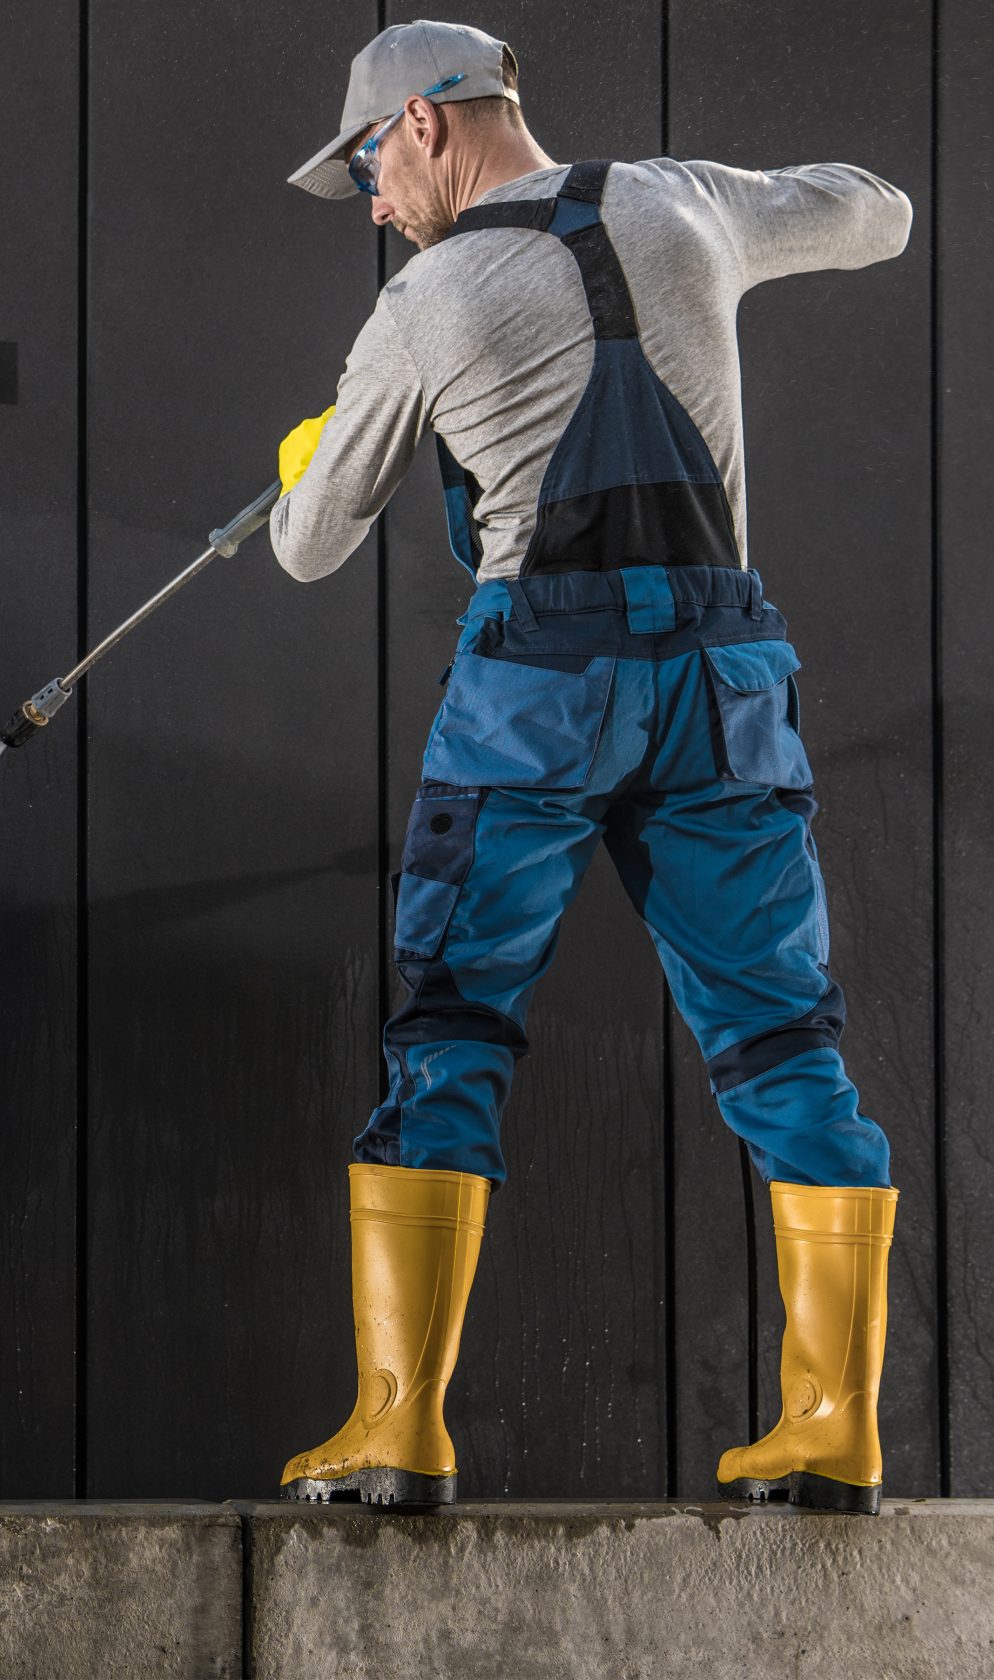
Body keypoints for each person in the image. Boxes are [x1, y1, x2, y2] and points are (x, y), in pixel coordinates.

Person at [268, 19, 914, 1514]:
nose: (370, 195)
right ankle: (830, 1430)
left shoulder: (424, 301)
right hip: (718, 680)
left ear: (427, 123)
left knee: (452, 1023)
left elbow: (307, 552)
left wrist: (316, 453)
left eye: (368, 158)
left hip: (540, 688)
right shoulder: (683, 199)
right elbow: (875, 208)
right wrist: (724, 214)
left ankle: (396, 1429)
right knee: (782, 1041)